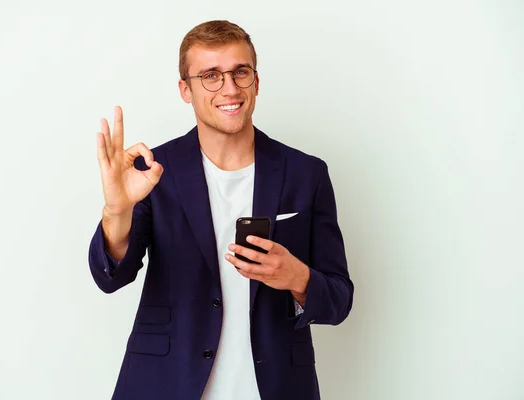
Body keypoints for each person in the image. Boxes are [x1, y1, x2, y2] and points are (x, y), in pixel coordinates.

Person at [88, 20, 353, 400]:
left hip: (275, 387)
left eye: (240, 73)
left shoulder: (306, 173)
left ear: (256, 82)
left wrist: (298, 277)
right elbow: (110, 278)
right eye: (210, 76)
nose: (229, 88)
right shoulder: (152, 172)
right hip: (166, 384)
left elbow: (339, 301)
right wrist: (116, 210)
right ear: (186, 89)